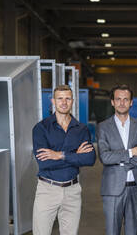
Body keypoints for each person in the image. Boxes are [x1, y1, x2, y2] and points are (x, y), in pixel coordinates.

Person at [32, 85, 96, 235]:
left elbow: (90, 159)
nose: (64, 102)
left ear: (73, 101)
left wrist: (60, 155)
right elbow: (44, 162)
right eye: (60, 98)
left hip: (72, 191)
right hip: (47, 190)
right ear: (53, 101)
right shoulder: (41, 128)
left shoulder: (81, 129)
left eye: (67, 98)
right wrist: (75, 155)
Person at [97, 84, 137, 235]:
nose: (122, 103)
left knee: (132, 231)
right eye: (118, 99)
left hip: (136, 188)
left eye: (125, 99)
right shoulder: (103, 127)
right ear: (112, 102)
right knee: (112, 231)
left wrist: (123, 161)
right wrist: (130, 153)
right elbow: (105, 157)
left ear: (131, 102)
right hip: (112, 189)